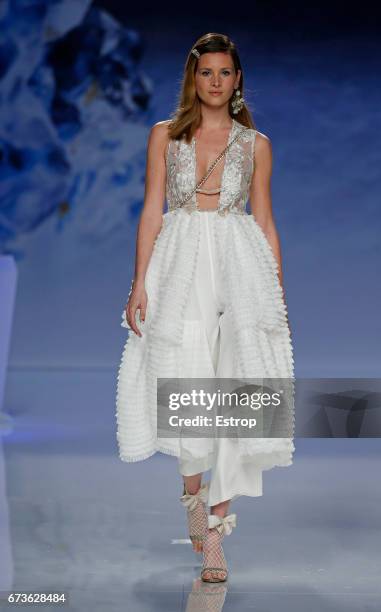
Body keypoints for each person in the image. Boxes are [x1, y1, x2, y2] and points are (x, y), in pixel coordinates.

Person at [115, 32, 295, 583]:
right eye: (206, 73)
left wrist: (276, 287)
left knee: (241, 389)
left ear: (238, 80)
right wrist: (138, 283)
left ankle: (217, 529)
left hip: (240, 266)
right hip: (182, 264)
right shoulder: (165, 137)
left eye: (225, 73)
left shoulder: (255, 144)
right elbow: (152, 210)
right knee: (190, 384)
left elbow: (263, 218)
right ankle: (193, 497)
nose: (216, 82)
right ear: (193, 80)